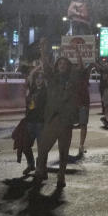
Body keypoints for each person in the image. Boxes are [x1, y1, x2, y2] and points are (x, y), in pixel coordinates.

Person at [34, 38, 86, 189]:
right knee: (43, 148)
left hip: (66, 120)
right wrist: (43, 50)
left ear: (68, 67)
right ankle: (40, 169)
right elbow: (45, 65)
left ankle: (61, 175)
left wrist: (77, 51)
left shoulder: (73, 79)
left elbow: (81, 68)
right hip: (52, 118)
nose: (62, 66)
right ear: (57, 66)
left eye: (65, 64)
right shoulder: (52, 78)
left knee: (64, 151)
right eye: (60, 64)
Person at [21, 65, 48, 174]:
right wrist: (38, 67)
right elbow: (30, 77)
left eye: (41, 78)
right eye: (37, 78)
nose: (38, 80)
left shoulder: (47, 91)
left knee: (42, 148)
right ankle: (31, 164)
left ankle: (42, 168)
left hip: (41, 122)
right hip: (30, 121)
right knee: (25, 146)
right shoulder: (32, 89)